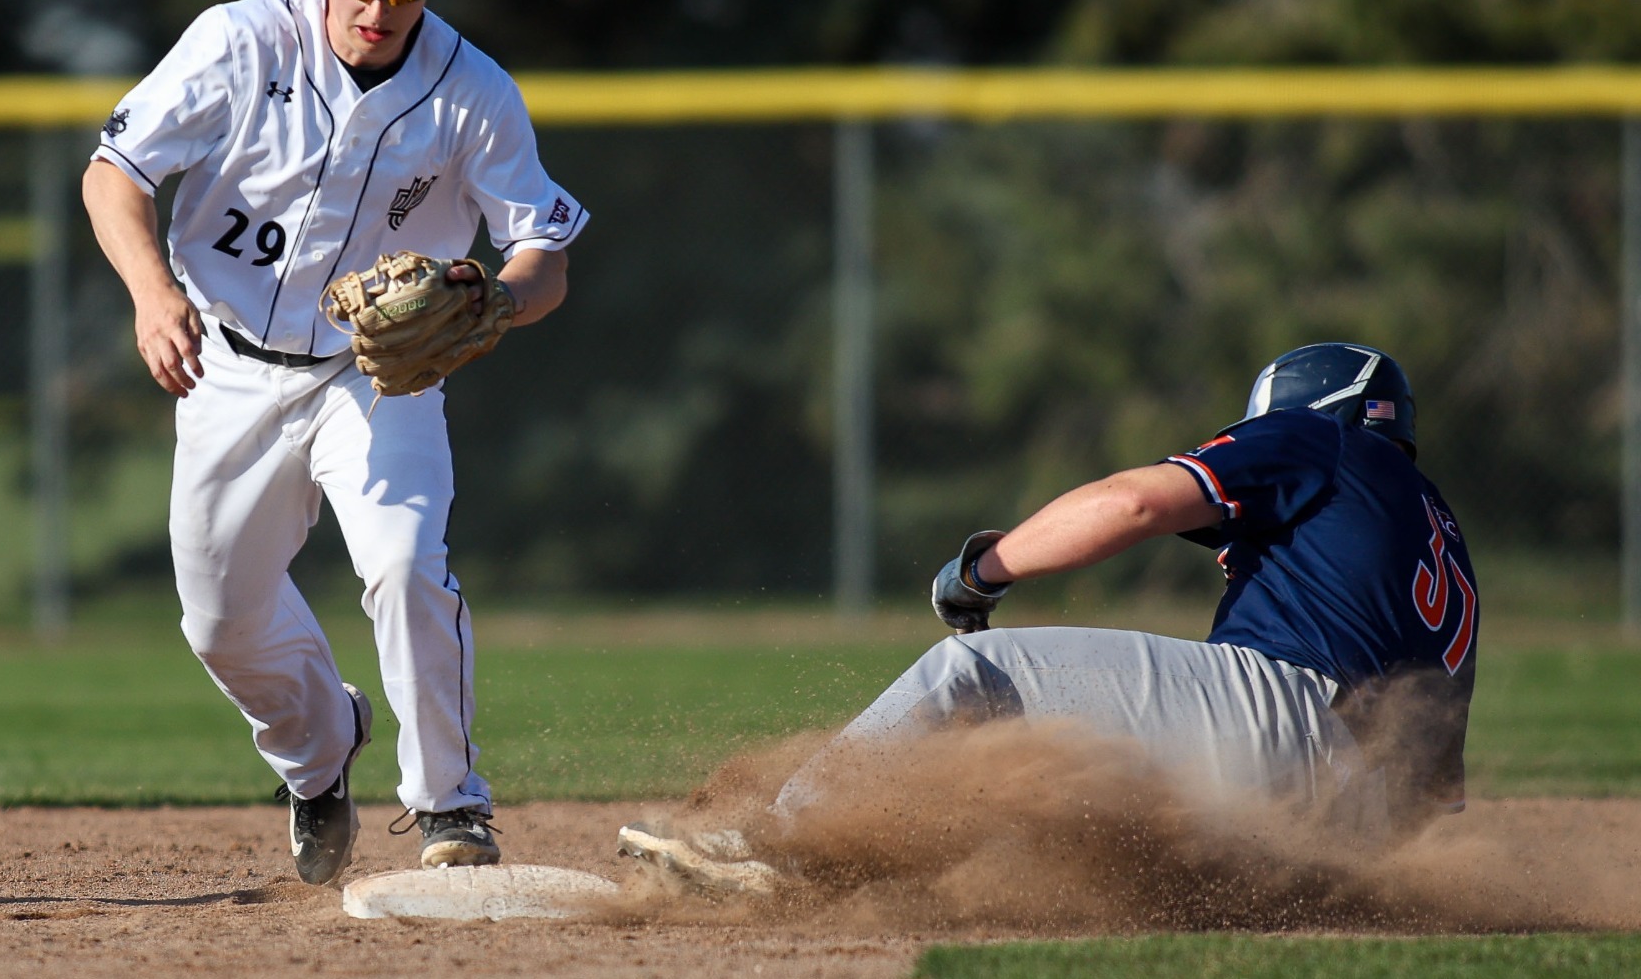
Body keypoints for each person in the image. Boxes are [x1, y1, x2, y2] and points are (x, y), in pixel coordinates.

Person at [82, 0, 586, 885]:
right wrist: (151, 293)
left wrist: (497, 299)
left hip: (377, 375)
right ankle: (320, 755)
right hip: (228, 366)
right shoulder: (239, 41)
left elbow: (544, 253)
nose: (377, 8)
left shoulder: (474, 92)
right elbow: (113, 174)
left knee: (404, 564)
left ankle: (451, 802)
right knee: (220, 625)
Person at [618, 343, 1479, 894]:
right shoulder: (1429, 528)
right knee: (1060, 787)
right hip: (1359, 830)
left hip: (1283, 721)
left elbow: (1135, 501)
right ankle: (865, 871)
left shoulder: (1320, 441)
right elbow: (1434, 785)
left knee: (973, 674)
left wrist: (981, 571)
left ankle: (771, 847)